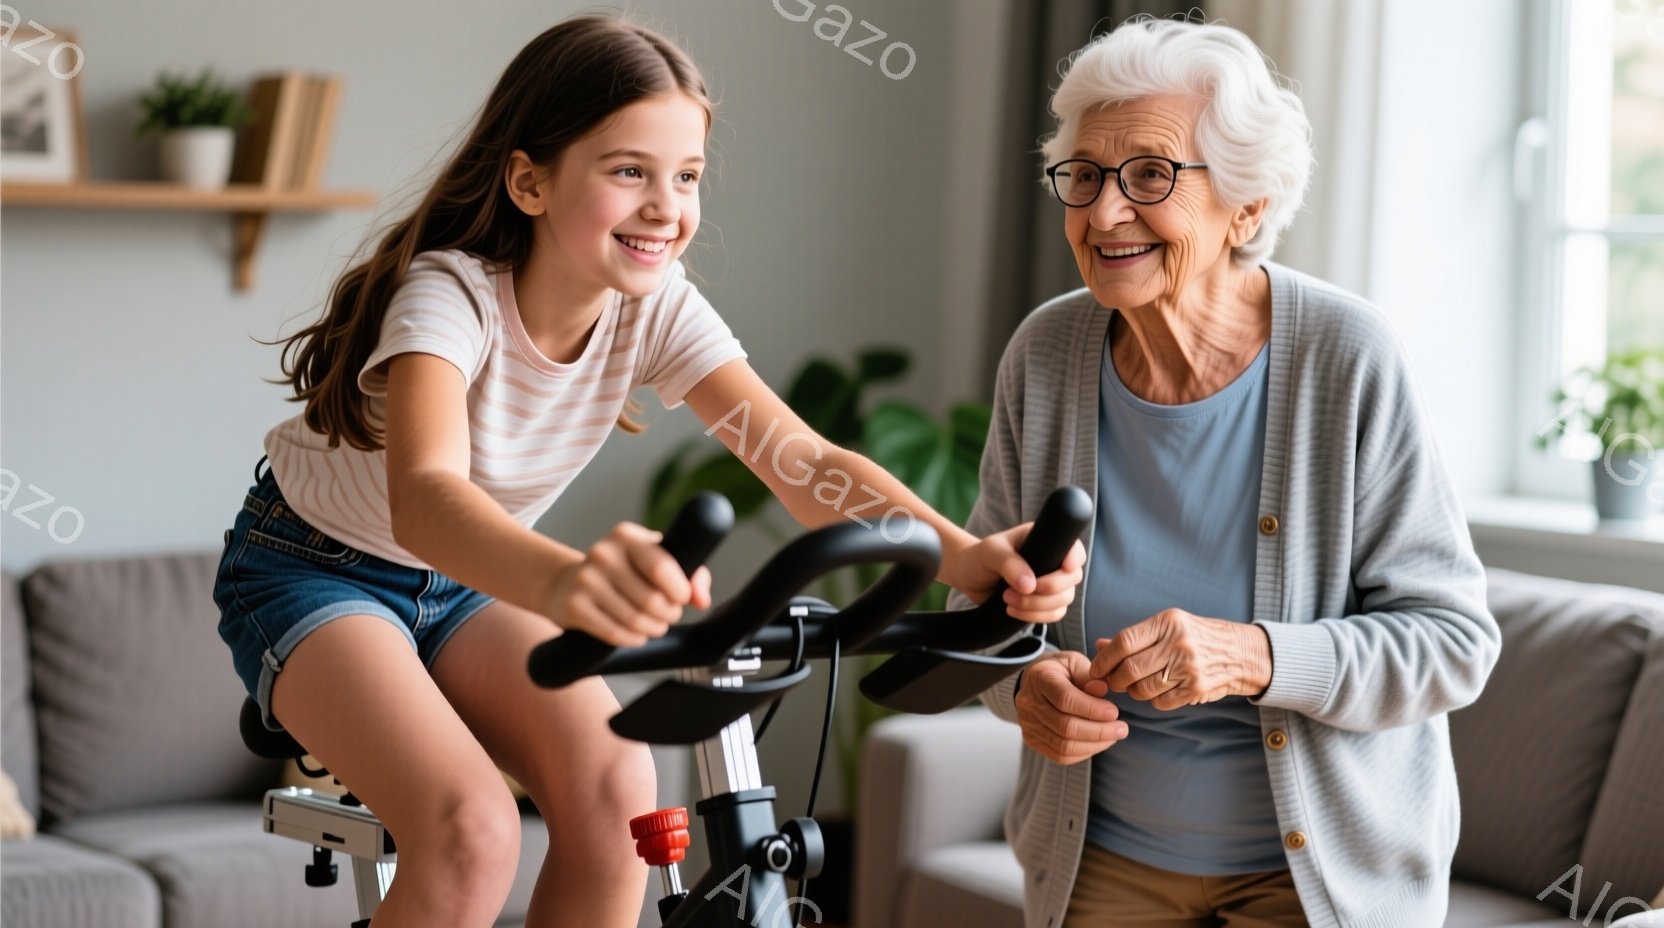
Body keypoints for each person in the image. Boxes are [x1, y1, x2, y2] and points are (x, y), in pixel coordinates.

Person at [212, 14, 1086, 928]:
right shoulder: (448, 295)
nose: (666, 206)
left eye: (688, 177)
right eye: (630, 170)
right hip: (312, 570)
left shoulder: (654, 307)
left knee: (624, 792)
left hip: (456, 588)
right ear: (530, 180)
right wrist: (572, 582)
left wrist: (959, 555)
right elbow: (428, 501)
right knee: (472, 830)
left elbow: (799, 459)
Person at [952, 15, 1501, 928]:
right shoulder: (1045, 353)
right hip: (1103, 865)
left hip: (1317, 879)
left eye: (1151, 176)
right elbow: (986, 611)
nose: (1102, 212)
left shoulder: (1346, 355)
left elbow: (1452, 643)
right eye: (1083, 176)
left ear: (1247, 208)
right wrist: (1022, 687)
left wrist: (1256, 656)